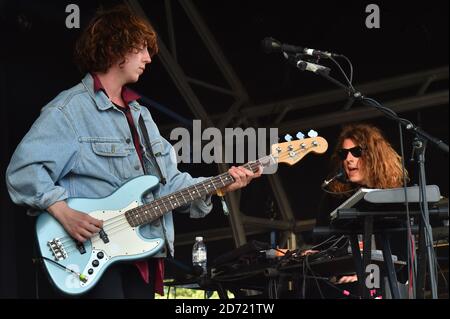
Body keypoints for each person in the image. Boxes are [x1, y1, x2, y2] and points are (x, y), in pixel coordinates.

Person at [5, 5, 261, 299]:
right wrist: (63, 211)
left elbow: (169, 185)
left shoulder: (142, 117)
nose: (148, 58)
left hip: (141, 253)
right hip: (89, 252)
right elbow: (23, 170)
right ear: (116, 48)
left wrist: (220, 184)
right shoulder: (69, 110)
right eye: (141, 49)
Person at [310, 123, 408, 295]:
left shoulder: (393, 197)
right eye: (344, 153)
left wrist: (368, 276)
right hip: (344, 284)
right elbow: (322, 250)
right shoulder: (333, 198)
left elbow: (403, 261)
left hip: (388, 284)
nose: (349, 159)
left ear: (373, 156)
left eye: (356, 152)